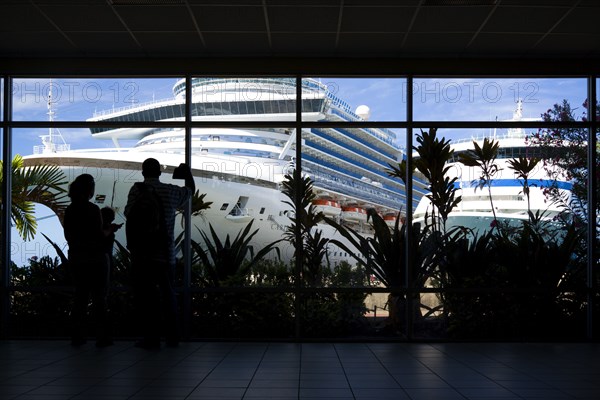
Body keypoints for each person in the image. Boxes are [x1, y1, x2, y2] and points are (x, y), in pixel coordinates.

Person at [124, 158, 195, 349]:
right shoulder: (170, 191)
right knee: (168, 295)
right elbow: (189, 192)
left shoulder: (136, 190)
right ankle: (173, 337)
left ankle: (151, 338)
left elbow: (128, 213)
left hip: (142, 255)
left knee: (146, 298)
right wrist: (188, 175)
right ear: (160, 173)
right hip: (165, 254)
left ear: (142, 172)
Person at [64, 174, 118, 347]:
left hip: (77, 258)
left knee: (80, 297)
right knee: (99, 298)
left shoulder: (70, 210)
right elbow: (98, 235)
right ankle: (102, 337)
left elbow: (68, 235)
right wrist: (110, 230)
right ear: (89, 189)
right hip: (95, 259)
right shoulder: (93, 209)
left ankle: (77, 336)